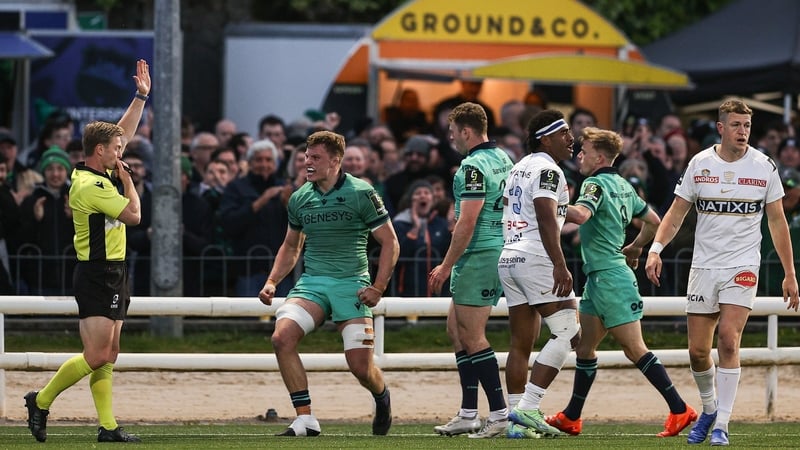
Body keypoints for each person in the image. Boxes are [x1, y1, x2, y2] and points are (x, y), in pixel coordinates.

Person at [645, 99, 800, 446]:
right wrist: (655, 249)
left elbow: (777, 222)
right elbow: (675, 213)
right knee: (697, 352)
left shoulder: (764, 166)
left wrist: (789, 273)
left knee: (729, 339)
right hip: (704, 266)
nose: (743, 132)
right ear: (721, 127)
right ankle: (710, 408)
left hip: (743, 265)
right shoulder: (700, 163)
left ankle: (722, 425)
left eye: (747, 125)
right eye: (735, 125)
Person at [24, 59, 150, 444]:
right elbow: (134, 216)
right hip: (98, 272)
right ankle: (40, 400)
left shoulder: (98, 170)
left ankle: (107, 426)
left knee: (109, 354)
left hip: (114, 270)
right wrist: (129, 182)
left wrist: (140, 96)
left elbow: (122, 132)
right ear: (100, 150)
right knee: (96, 355)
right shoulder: (92, 186)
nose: (122, 152)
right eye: (116, 149)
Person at [546, 126, 697, 438]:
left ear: (600, 157)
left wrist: (546, 202)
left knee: (635, 349)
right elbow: (653, 221)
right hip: (601, 279)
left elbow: (581, 215)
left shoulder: (594, 184)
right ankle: (572, 417)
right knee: (585, 348)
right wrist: (636, 247)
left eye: (584, 151)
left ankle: (680, 408)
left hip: (610, 279)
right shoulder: (624, 186)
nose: (579, 156)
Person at [258, 130, 399, 437]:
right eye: (306, 157)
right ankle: (305, 418)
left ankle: (381, 396)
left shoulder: (362, 192)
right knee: (281, 338)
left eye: (315, 158)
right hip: (313, 283)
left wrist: (378, 287)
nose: (307, 163)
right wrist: (272, 281)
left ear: (335, 161)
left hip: (352, 283)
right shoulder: (299, 197)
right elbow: (291, 246)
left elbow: (390, 242)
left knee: (361, 368)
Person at [427, 102, 513, 438]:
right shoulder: (504, 158)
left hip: (479, 255)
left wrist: (446, 265)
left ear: (466, 131)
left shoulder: (473, 167)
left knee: (473, 336)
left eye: (453, 132)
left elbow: (467, 221)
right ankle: (468, 413)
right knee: (456, 330)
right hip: (496, 249)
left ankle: (500, 413)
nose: (451, 138)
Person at [499, 110, 580, 437]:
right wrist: (560, 263)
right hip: (536, 256)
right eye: (564, 133)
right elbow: (546, 216)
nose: (571, 138)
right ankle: (529, 407)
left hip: (509, 255)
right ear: (545, 138)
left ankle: (514, 423)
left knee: (520, 343)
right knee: (570, 332)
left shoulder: (518, 167)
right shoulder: (549, 170)